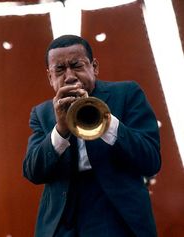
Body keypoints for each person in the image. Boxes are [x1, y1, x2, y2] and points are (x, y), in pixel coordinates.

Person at [23, 35, 161, 237]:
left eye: (77, 65)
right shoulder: (41, 113)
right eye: (59, 70)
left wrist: (107, 121)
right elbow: (33, 172)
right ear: (50, 77)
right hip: (63, 224)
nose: (69, 76)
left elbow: (151, 160)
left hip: (117, 217)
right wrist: (60, 129)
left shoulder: (127, 93)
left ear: (94, 67)